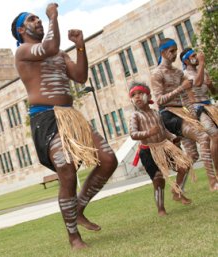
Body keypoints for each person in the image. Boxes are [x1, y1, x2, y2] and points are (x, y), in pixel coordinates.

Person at [11, 3, 117, 250]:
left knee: (108, 159)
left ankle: (78, 208)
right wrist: (52, 17)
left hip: (71, 116)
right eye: (32, 19)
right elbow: (49, 46)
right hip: (45, 118)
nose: (37, 21)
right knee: (66, 170)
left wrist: (80, 46)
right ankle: (74, 237)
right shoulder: (24, 51)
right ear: (20, 29)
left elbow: (80, 76)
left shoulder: (60, 54)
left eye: (39, 18)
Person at [150, 38, 218, 192]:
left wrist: (194, 116)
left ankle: (176, 189)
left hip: (183, 114)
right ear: (163, 52)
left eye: (175, 50)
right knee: (204, 137)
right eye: (171, 51)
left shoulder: (178, 72)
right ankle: (213, 182)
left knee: (193, 156)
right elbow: (159, 100)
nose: (174, 54)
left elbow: (187, 98)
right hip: (168, 114)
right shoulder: (157, 74)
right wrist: (181, 88)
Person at [129, 82, 192, 216]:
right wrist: (148, 133)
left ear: (148, 95)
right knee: (158, 179)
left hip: (164, 147)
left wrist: (173, 137)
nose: (137, 97)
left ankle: (177, 192)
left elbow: (164, 131)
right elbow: (133, 134)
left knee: (184, 166)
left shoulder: (156, 113)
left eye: (140, 93)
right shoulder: (135, 116)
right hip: (148, 151)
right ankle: (161, 208)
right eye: (133, 95)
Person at [179, 48, 218, 184]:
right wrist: (202, 63)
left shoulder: (204, 71)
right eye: (193, 55)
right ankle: (216, 175)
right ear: (186, 60)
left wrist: (211, 85)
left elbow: (213, 92)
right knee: (214, 135)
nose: (197, 56)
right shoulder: (184, 74)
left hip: (210, 106)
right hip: (197, 110)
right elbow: (197, 83)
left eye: (197, 54)